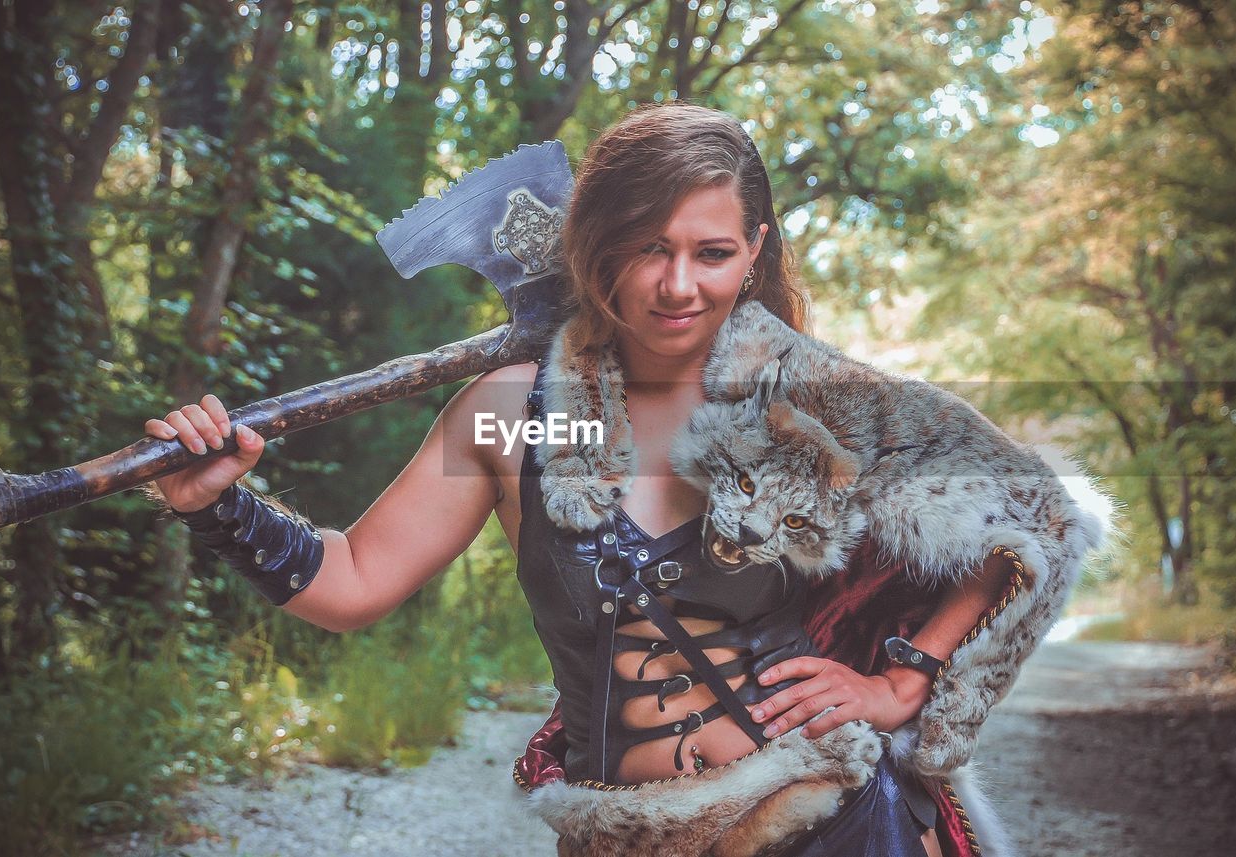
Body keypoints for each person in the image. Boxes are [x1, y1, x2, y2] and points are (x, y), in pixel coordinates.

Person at [148, 102, 1019, 856]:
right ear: (594, 248)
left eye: (711, 251)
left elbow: (1021, 520)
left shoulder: (808, 407)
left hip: (821, 817)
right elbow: (354, 581)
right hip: (622, 834)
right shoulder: (518, 414)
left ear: (754, 249)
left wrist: (901, 679)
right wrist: (220, 506)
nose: (678, 285)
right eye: (648, 248)